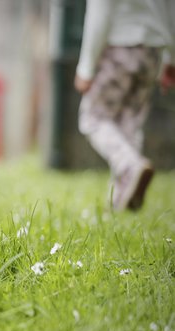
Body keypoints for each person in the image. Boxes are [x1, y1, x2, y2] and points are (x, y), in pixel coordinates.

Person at [74, 0, 175, 211]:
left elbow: (100, 10)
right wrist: (170, 58)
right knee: (129, 124)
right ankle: (122, 199)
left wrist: (86, 67)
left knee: (93, 117)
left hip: (120, 45)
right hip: (152, 52)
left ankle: (130, 167)